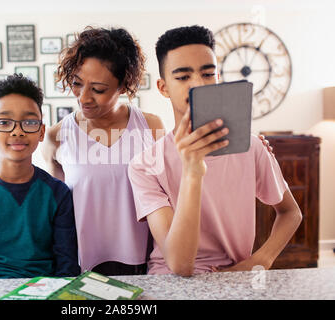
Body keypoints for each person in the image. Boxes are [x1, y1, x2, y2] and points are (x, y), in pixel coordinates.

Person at [128, 26, 302, 277]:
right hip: (170, 282)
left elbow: (290, 212)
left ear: (218, 77)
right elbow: (180, 265)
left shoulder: (251, 147)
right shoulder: (144, 165)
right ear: (163, 87)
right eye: (183, 77)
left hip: (235, 278)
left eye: (208, 74)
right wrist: (192, 171)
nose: (198, 84)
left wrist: (262, 259)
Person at [42, 27, 165, 275]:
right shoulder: (56, 136)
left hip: (143, 260)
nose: (83, 98)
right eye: (77, 84)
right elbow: (57, 209)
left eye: (98, 89)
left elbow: (166, 195)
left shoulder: (151, 127)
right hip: (80, 263)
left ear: (123, 86)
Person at [0, 74, 80, 279]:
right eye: (4, 122)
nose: (17, 132)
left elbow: (67, 267)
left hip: (45, 291)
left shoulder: (58, 193)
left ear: (42, 131)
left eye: (29, 122)